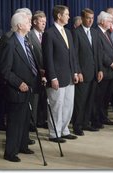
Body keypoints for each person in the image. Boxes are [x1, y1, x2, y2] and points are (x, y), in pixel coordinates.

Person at [0, 12, 41, 162]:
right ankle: (10, 152)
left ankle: (22, 145)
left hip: (29, 88)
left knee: (24, 120)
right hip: (16, 90)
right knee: (15, 122)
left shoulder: (26, 41)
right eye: (28, 21)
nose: (30, 23)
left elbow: (30, 64)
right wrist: (19, 83)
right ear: (19, 25)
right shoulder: (10, 44)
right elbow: (5, 71)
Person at [42, 5, 79, 143]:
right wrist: (52, 77)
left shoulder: (68, 32)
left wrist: (75, 72)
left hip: (69, 76)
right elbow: (48, 58)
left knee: (68, 105)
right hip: (57, 77)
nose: (69, 16)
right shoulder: (49, 33)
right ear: (59, 16)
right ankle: (54, 133)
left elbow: (72, 55)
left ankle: (64, 130)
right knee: (56, 105)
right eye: (67, 14)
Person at [71, 8, 103, 136]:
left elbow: (98, 53)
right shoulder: (76, 32)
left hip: (94, 72)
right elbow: (74, 55)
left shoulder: (95, 33)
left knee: (90, 100)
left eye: (92, 18)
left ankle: (86, 123)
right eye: (88, 18)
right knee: (80, 101)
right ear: (83, 18)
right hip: (82, 73)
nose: (90, 20)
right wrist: (78, 71)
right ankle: (77, 125)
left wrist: (100, 69)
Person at [92, 11, 113, 127]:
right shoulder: (97, 32)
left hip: (111, 71)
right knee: (99, 97)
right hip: (103, 69)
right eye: (109, 20)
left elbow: (112, 50)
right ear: (102, 21)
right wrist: (111, 63)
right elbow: (100, 52)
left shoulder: (107, 33)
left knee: (106, 97)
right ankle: (96, 119)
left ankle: (104, 117)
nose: (111, 23)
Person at [27, 10, 48, 129]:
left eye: (45, 22)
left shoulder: (46, 35)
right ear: (34, 22)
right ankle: (32, 122)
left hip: (46, 73)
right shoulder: (29, 35)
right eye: (41, 22)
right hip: (35, 73)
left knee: (43, 98)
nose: (44, 24)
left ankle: (41, 120)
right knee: (34, 99)